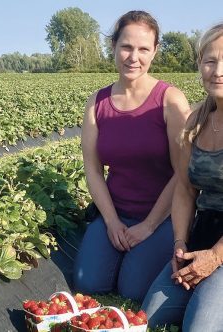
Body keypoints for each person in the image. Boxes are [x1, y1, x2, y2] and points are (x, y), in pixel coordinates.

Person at [72, 10, 190, 301]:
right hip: (117, 211)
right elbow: (93, 169)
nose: (133, 57)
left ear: (155, 51)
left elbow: (183, 172)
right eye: (126, 46)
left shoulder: (170, 100)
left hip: (162, 217)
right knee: (87, 283)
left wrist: (148, 226)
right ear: (113, 46)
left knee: (133, 290)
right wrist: (111, 221)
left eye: (143, 49)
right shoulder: (97, 103)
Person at [142, 23, 223, 331]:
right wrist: (180, 242)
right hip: (205, 230)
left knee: (198, 327)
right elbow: (185, 191)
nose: (218, 70)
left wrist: (215, 257)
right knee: (149, 316)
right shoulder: (196, 120)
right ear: (199, 63)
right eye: (210, 60)